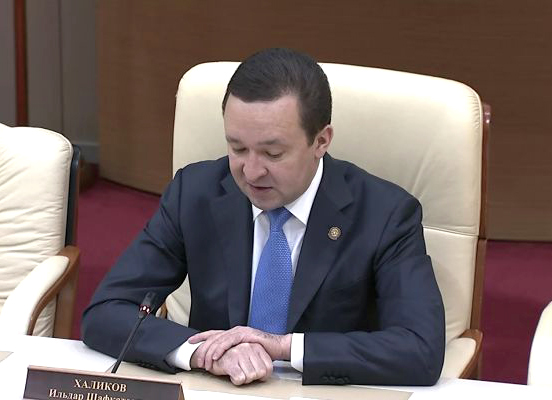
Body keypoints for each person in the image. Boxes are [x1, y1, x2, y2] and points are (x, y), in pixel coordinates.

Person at [82, 48, 445, 387]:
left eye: (273, 154)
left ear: (321, 141)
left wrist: (284, 347)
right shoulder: (195, 193)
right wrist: (204, 353)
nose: (252, 172)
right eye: (237, 148)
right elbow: (106, 312)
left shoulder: (384, 214)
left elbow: (419, 349)